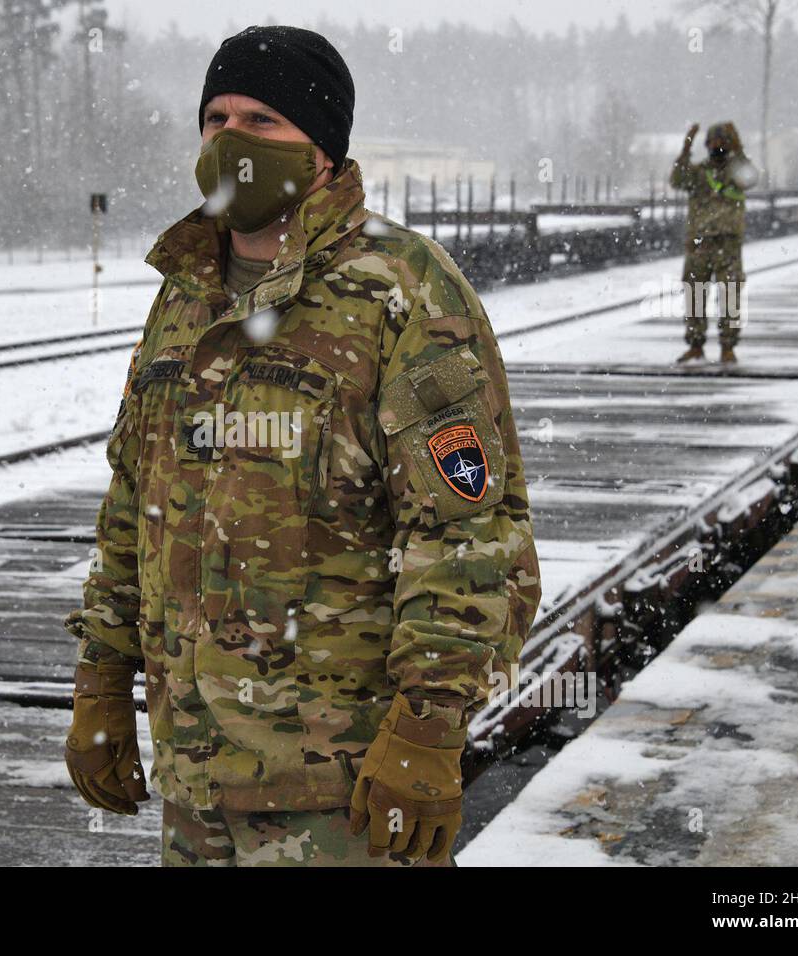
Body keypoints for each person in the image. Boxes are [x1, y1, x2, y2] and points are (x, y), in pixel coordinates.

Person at [64, 24, 540, 867]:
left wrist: (427, 733)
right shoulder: (185, 295)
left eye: (263, 120)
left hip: (344, 792)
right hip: (195, 788)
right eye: (215, 117)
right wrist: (101, 680)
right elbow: (132, 509)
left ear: (322, 147)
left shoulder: (399, 289)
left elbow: (469, 538)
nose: (231, 140)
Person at [670, 121, 758, 365]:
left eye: (722, 142)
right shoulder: (698, 173)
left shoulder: (736, 171)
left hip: (728, 242)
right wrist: (685, 149)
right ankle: (695, 345)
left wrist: (739, 148)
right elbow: (677, 180)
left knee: (730, 295)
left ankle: (728, 346)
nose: (717, 146)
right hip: (699, 242)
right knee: (694, 293)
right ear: (707, 145)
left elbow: (751, 178)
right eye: (713, 142)